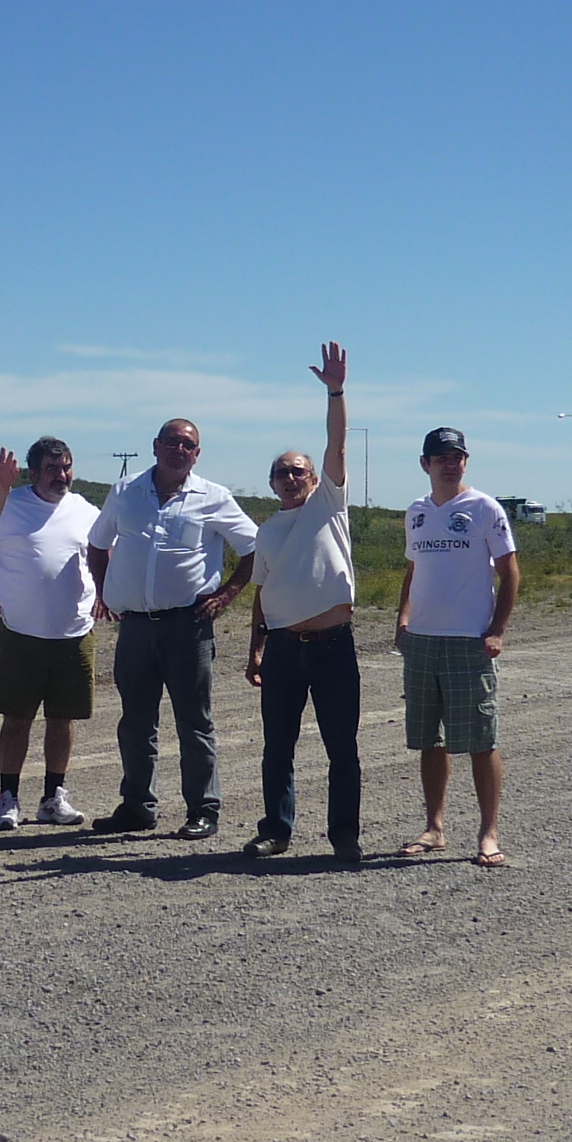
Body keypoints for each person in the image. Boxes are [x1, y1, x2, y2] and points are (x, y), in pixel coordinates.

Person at [86, 417, 259, 839]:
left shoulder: (214, 498)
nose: (179, 450)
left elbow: (254, 547)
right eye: (172, 442)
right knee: (135, 721)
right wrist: (106, 591)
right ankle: (137, 807)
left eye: (188, 445)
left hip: (188, 628)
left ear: (197, 454)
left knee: (193, 721)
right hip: (136, 628)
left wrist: (228, 594)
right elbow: (97, 543)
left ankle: (203, 809)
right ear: (155, 445)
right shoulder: (126, 492)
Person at [244, 343, 361, 860]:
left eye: (299, 471)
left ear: (315, 479)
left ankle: (345, 838)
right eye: (281, 473)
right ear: (272, 484)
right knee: (278, 747)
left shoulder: (329, 505)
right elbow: (260, 595)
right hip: (286, 649)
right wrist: (256, 648)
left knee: (342, 748)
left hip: (334, 646)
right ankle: (277, 829)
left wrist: (336, 391)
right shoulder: (267, 532)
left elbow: (336, 441)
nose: (290, 477)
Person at [0, 437, 101, 830]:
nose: (62, 476)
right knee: (16, 719)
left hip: (73, 633)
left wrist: (105, 593)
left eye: (67, 467)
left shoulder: (85, 511)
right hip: (19, 634)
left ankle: (54, 798)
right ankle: (8, 799)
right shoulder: (8, 507)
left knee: (62, 719)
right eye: (52, 470)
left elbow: (104, 553)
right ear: (33, 473)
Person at [396, 427, 521, 867]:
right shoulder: (416, 512)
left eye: (458, 456)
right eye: (441, 457)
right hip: (423, 642)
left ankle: (489, 833)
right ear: (425, 463)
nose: (451, 464)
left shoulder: (484, 508)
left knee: (480, 740)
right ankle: (435, 827)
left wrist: (496, 630)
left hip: (469, 642)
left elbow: (510, 573)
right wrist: (403, 619)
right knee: (429, 739)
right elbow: (413, 572)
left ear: (465, 461)